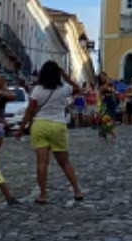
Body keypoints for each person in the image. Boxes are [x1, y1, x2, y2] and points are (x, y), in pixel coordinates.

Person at [18, 61, 83, 205]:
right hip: (58, 125)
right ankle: (77, 190)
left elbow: (30, 111)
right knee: (64, 162)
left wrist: (22, 128)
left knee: (42, 162)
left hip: (40, 125)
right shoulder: (64, 89)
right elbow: (77, 88)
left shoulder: (37, 90)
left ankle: (42, 194)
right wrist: (65, 75)